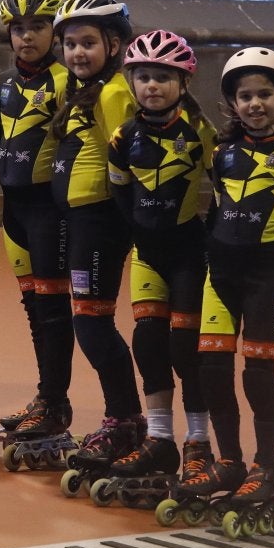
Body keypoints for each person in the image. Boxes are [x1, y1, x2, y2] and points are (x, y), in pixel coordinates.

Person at [180, 47, 274, 527]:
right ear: (232, 103)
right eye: (245, 96)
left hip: (263, 278)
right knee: (212, 371)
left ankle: (266, 468)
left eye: (265, 94)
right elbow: (215, 212)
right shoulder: (220, 153)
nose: (255, 103)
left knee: (257, 374)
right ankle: (231, 462)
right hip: (220, 277)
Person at [106, 29, 215, 483]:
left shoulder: (200, 132)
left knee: (186, 349)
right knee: (148, 343)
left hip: (189, 253)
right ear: (132, 82)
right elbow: (118, 191)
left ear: (184, 83)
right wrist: (136, 233)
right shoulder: (123, 136)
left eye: (163, 78)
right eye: (144, 77)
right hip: (147, 254)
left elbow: (226, 190)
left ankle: (199, 442)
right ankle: (160, 439)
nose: (152, 86)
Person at [47, 0, 143, 473]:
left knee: (92, 324)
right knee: (89, 322)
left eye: (88, 43)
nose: (77, 53)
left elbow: (130, 163)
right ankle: (124, 417)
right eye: (69, 44)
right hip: (82, 220)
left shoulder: (112, 93)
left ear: (115, 45)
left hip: (101, 221)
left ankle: (125, 419)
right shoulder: (83, 88)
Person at [0, 0, 75, 442]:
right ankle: (47, 398)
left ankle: (55, 403)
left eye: (38, 26)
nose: (27, 36)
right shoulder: (3, 82)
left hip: (48, 210)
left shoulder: (67, 83)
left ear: (55, 32)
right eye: (19, 27)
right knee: (33, 307)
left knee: (53, 308)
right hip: (13, 210)